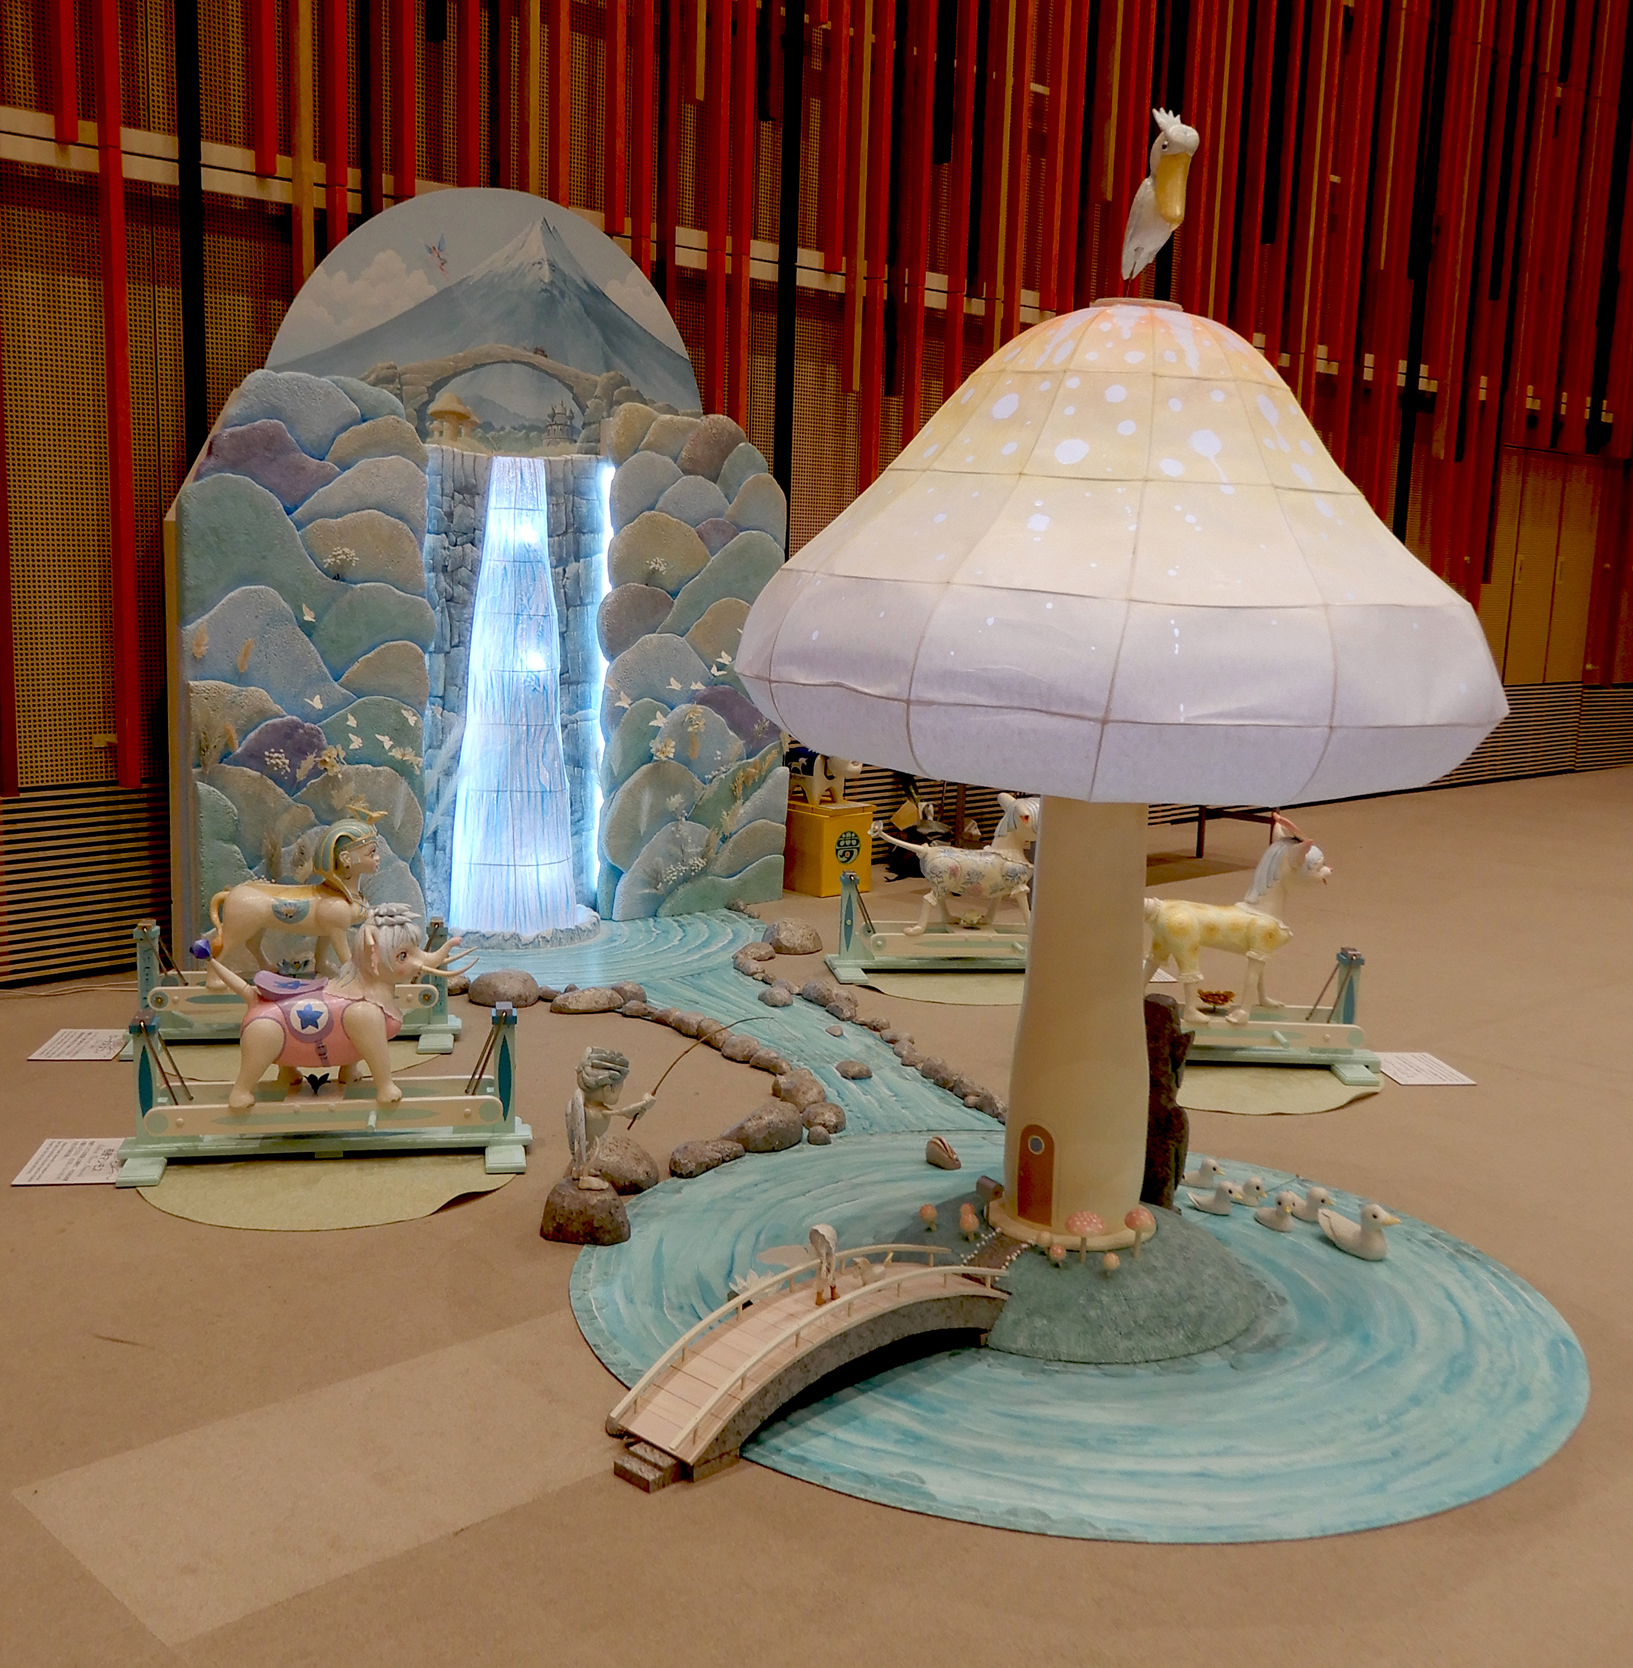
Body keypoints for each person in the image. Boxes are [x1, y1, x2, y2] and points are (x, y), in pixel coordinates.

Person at [566, 1047, 655, 1190]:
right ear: (607, 1089)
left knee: (587, 1147)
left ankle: (579, 1169)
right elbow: (623, 1112)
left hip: (589, 1136)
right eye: (619, 1090)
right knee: (595, 1147)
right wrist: (643, 1103)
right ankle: (584, 1176)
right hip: (593, 1135)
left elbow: (626, 1113)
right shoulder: (597, 1112)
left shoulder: (588, 1106)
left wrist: (641, 1108)